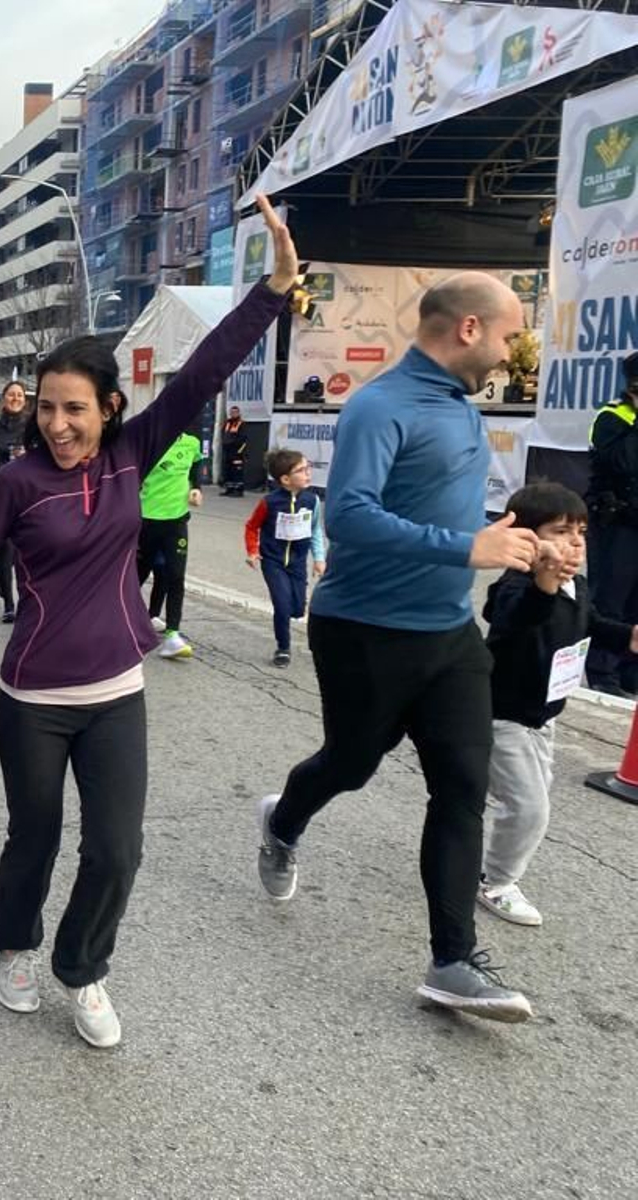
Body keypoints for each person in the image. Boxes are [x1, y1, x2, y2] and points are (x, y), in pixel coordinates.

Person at [0, 195, 297, 1049]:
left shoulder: (136, 454)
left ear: (106, 409)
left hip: (115, 694)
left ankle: (83, 967)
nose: (59, 425)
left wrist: (273, 290)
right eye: (48, 410)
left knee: (118, 850)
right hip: (30, 699)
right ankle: (15, 947)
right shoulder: (19, 483)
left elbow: (205, 369)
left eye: (77, 410)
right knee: (36, 836)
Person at [255, 270, 541, 1023]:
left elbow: (457, 514)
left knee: (461, 788)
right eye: (509, 334)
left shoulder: (457, 406)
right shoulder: (380, 405)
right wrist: (464, 548)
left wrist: (528, 546)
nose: (514, 352)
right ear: (469, 329)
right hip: (366, 633)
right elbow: (347, 517)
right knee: (349, 766)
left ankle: (452, 960)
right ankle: (283, 821)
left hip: (449, 635)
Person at [481, 483, 638, 928]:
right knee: (530, 808)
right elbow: (514, 616)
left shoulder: (577, 585)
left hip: (544, 715)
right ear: (525, 539)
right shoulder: (515, 585)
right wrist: (544, 580)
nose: (574, 542)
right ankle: (496, 881)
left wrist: (626, 636)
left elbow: (589, 622)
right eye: (560, 531)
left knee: (528, 794)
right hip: (505, 716)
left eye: (581, 532)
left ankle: (470, 837)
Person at [585, 351, 638, 698]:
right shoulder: (611, 418)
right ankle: (602, 671)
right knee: (612, 598)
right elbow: (625, 462)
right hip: (617, 523)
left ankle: (630, 672)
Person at [244, 448, 326, 668]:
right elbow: (252, 527)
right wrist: (253, 551)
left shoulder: (312, 501)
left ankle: (294, 608)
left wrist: (319, 558)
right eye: (302, 470)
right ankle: (283, 648)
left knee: (297, 608)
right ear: (286, 479)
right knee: (282, 605)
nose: (308, 473)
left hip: (298, 562)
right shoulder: (269, 502)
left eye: (308, 467)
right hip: (273, 561)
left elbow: (316, 530)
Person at [137, 428, 203, 659]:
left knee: (176, 577)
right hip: (146, 521)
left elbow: (196, 466)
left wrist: (196, 488)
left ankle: (172, 636)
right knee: (137, 577)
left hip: (176, 522)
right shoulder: (149, 442)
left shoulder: (192, 443)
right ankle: (125, 623)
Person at [0, 381, 29, 622]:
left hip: (28, 492)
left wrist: (28, 455)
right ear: (3, 399)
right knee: (6, 548)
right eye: (11, 394)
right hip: (2, 492)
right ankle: (9, 605)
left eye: (19, 395)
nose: (15, 398)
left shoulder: (34, 426)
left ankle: (19, 594)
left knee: (23, 552)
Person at [220, 405, 249, 496]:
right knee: (228, 470)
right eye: (232, 412)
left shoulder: (242, 424)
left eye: (235, 412)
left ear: (238, 413)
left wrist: (239, 451)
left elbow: (243, 438)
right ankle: (229, 489)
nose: (233, 414)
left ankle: (239, 490)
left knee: (237, 470)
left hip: (237, 451)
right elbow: (223, 434)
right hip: (227, 450)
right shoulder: (227, 423)